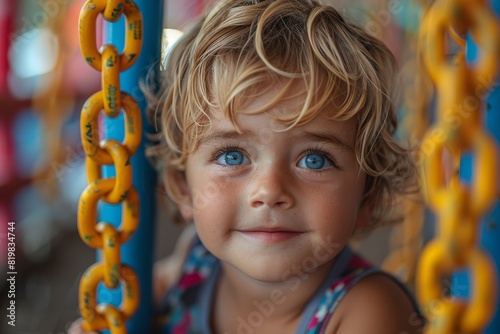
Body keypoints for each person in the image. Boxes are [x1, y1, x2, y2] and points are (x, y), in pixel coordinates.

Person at [70, 0, 425, 333]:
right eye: (232, 156)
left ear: (368, 196)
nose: (270, 190)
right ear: (182, 185)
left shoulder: (368, 311)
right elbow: (129, 303)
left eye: (314, 160)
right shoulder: (194, 263)